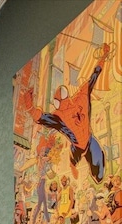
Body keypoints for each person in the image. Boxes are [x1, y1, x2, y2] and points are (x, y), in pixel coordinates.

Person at [24, 43, 111, 183]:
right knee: (77, 159)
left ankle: (77, 166)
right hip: (77, 146)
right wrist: (29, 107)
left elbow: (94, 75)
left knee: (99, 170)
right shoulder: (60, 114)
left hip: (88, 139)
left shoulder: (79, 97)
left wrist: (104, 57)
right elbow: (41, 118)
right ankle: (72, 165)